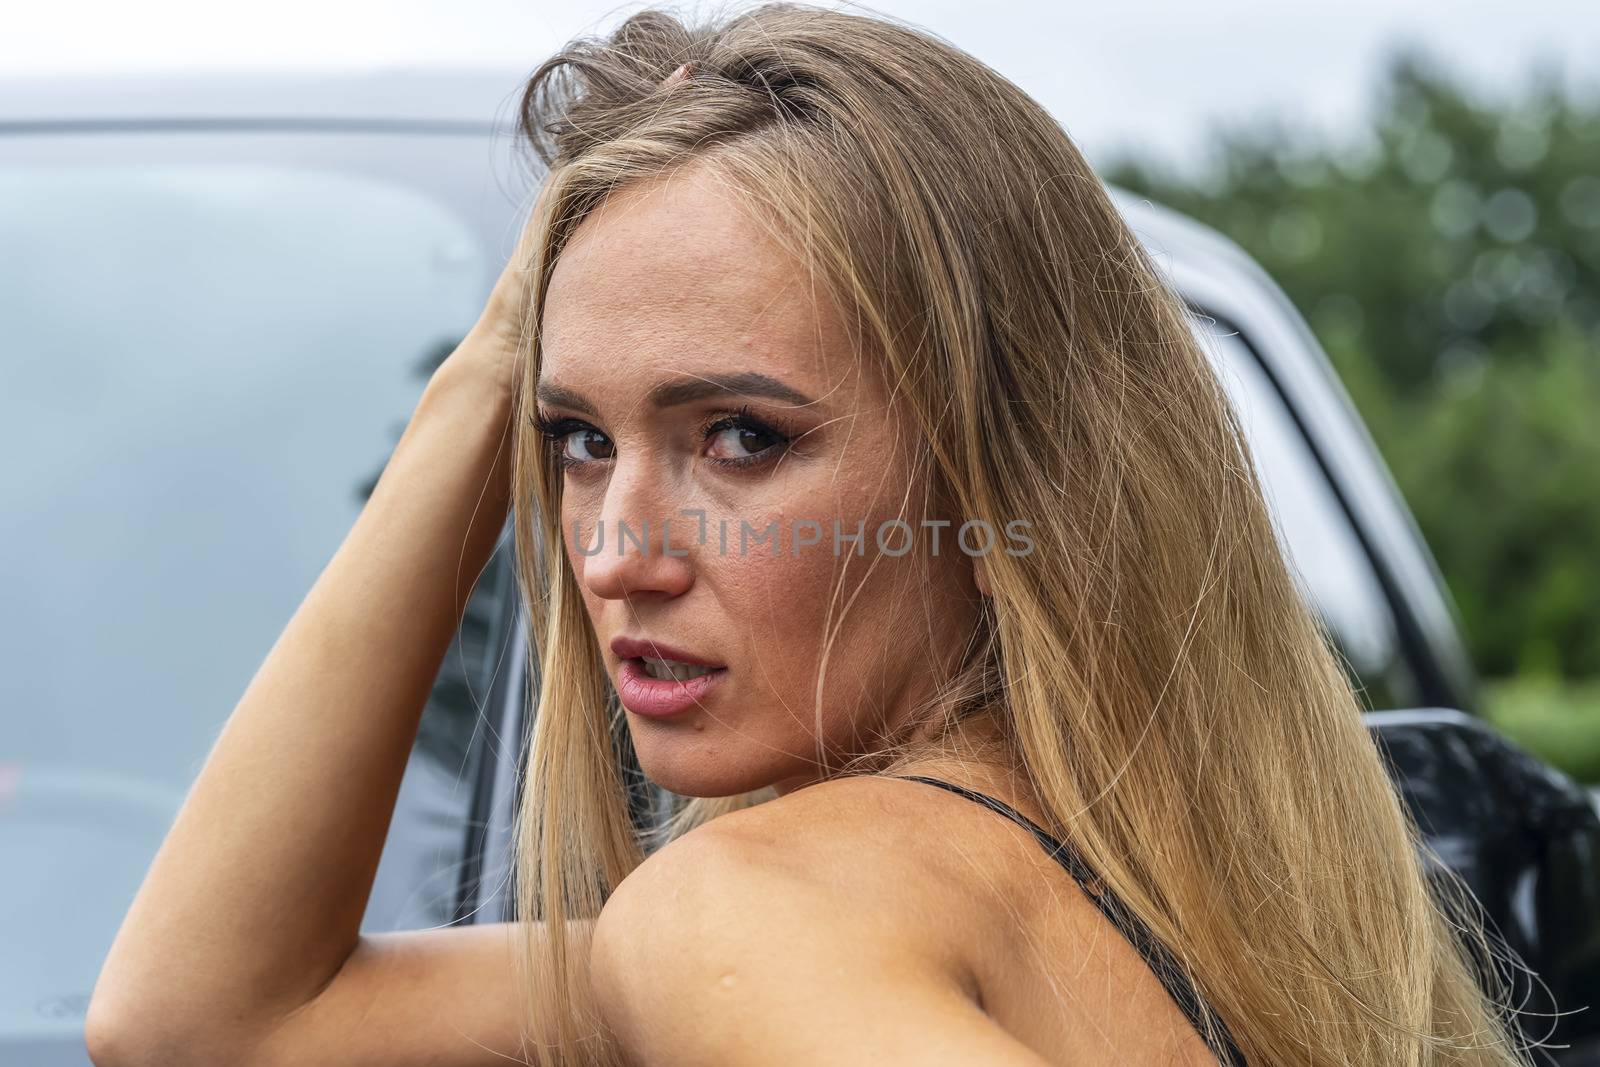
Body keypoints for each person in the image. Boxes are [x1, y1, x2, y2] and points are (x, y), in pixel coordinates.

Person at [87, 4, 1533, 1065]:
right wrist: (497, 367)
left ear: (1003, 480)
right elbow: (208, 1017)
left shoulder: (761, 919)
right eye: (580, 440)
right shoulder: (1154, 909)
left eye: (743, 439)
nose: (613, 552)